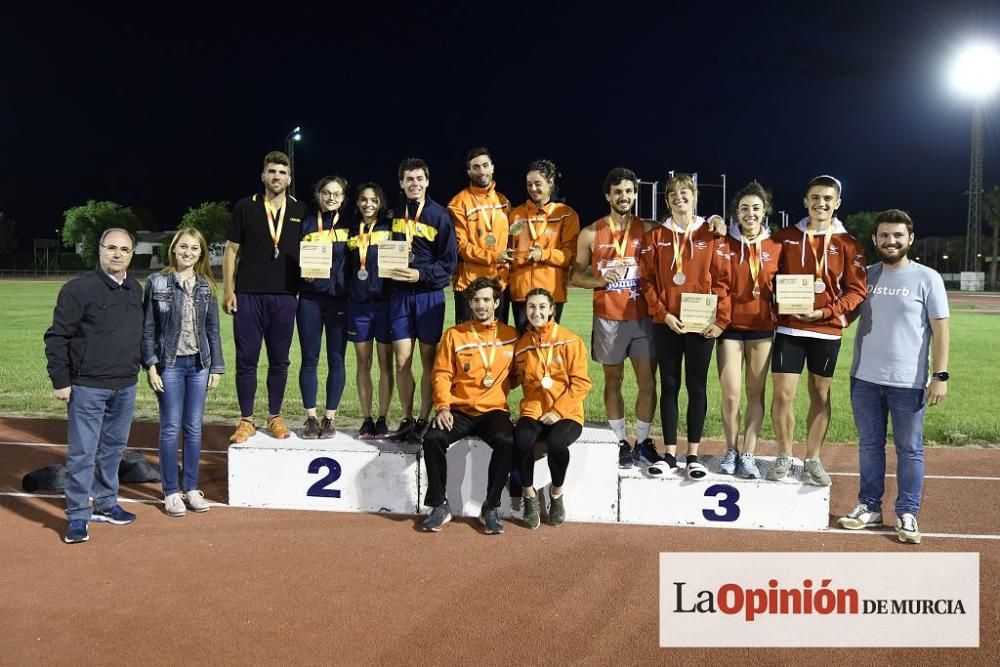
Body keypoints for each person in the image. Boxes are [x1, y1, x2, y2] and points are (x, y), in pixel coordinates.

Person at [838, 209, 949, 545]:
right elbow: (844, 316)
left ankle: (907, 512)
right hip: (865, 379)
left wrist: (940, 375)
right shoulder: (866, 276)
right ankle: (869, 506)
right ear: (875, 239)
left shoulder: (927, 278)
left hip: (909, 381)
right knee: (870, 446)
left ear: (910, 239)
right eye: (884, 235)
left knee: (910, 449)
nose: (891, 241)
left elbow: (940, 330)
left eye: (898, 235)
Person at [44, 228, 144, 544]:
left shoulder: (134, 288)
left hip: (125, 384)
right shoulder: (78, 290)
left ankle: (105, 502)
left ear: (132, 253)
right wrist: (61, 381)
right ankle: (76, 515)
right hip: (87, 386)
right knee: (82, 453)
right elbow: (57, 337)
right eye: (111, 247)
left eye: (124, 249)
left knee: (113, 450)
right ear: (99, 250)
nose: (117, 254)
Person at [769, 175, 867, 485]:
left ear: (837, 203)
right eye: (814, 197)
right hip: (790, 328)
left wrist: (825, 311)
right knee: (783, 395)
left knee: (820, 394)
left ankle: (812, 458)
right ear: (805, 201)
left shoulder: (849, 244)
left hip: (826, 331)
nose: (820, 203)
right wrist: (776, 298)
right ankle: (785, 455)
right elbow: (767, 276)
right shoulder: (784, 237)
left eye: (827, 198)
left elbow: (857, 291)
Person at [638, 173, 731, 479]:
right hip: (668, 323)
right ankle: (668, 454)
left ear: (695, 198)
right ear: (666, 200)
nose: (680, 198)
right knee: (669, 385)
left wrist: (720, 320)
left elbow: (722, 282)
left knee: (697, 386)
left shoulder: (711, 233)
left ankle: (692, 455)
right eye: (673, 194)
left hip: (701, 323)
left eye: (685, 193)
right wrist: (662, 313)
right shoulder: (656, 236)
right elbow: (647, 281)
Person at [571, 167, 657, 469]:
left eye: (629, 191)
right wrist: (600, 279)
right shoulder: (591, 233)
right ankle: (620, 441)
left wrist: (711, 222)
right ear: (608, 195)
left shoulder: (648, 228)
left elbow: (685, 230)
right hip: (608, 317)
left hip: (643, 317)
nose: (624, 196)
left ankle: (643, 441)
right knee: (613, 380)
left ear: (635, 194)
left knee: (648, 382)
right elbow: (574, 277)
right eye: (618, 191)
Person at [420, 277, 519, 534]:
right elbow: (441, 374)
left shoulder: (511, 336)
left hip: (493, 411)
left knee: (506, 440)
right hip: (459, 409)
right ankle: (439, 505)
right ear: (470, 303)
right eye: (476, 300)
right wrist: (442, 407)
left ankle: (491, 506)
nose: (481, 305)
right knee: (432, 438)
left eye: (487, 300)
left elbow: (522, 375)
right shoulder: (454, 335)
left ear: (497, 303)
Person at [223, 151, 309, 443]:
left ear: (289, 178)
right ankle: (246, 419)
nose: (277, 177)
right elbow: (231, 250)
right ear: (263, 176)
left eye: (282, 173)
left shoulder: (301, 209)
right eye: (272, 171)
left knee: (279, 361)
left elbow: (310, 251)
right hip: (248, 295)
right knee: (246, 360)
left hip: (285, 296)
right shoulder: (246, 207)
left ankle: (274, 416)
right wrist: (228, 289)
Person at [142, 228, 224, 517]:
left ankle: (190, 488)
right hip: (170, 365)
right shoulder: (156, 282)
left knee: (193, 428)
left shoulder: (206, 286)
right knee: (169, 428)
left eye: (195, 249)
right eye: (183, 247)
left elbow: (213, 329)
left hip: (199, 365)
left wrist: (217, 366)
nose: (188, 253)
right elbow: (148, 328)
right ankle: (170, 492)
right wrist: (151, 366)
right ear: (174, 249)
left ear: (201, 253)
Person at [386, 158, 458, 443]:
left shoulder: (440, 216)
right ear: (402, 183)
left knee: (429, 361)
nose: (414, 183)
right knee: (402, 360)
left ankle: (424, 420)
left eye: (419, 178)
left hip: (428, 297)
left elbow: (448, 263)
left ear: (427, 181)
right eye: (409, 179)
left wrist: (420, 274)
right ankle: (406, 418)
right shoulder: (391, 214)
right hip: (399, 296)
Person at [511, 288, 593, 528]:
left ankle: (556, 493)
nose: (536, 312)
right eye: (531, 307)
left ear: (551, 310)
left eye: (542, 307)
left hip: (566, 413)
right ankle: (529, 494)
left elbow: (581, 382)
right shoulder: (522, 345)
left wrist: (557, 411)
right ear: (526, 310)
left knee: (557, 443)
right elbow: (512, 378)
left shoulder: (570, 340)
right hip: (534, 411)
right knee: (522, 439)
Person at [716, 182, 782, 479]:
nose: (750, 213)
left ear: (764, 210)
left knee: (756, 394)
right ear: (736, 212)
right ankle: (731, 449)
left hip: (762, 329)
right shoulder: (722, 243)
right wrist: (712, 221)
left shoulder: (776, 247)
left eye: (756, 208)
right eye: (744, 208)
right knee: (731, 395)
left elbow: (786, 287)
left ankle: (749, 453)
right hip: (729, 328)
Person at [297, 176, 351, 438]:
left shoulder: (351, 225)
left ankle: (330, 418)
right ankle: (310, 418)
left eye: (337, 194)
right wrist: (301, 272)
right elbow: (293, 255)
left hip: (339, 300)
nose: (331, 197)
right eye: (327, 193)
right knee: (309, 358)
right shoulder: (306, 223)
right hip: (309, 299)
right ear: (318, 195)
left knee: (337, 359)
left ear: (343, 198)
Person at [505, 159, 580, 334]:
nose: (533, 188)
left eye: (538, 183)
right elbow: (507, 248)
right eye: (529, 184)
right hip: (521, 293)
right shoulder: (515, 215)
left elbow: (570, 255)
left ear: (550, 182)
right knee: (525, 347)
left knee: (546, 348)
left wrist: (544, 254)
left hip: (551, 296)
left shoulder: (566, 215)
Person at [346, 183, 395, 438]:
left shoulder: (391, 228)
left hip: (385, 304)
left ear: (380, 202)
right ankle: (366, 418)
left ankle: (383, 418)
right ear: (357, 203)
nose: (368, 204)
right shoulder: (352, 231)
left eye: (373, 199)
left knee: (386, 363)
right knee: (363, 363)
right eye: (363, 199)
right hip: (359, 305)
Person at [448, 147, 512, 324]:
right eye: (476, 167)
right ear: (469, 171)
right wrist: (494, 256)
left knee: (499, 342)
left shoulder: (503, 202)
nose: (481, 171)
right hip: (470, 285)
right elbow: (461, 247)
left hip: (500, 285)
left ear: (492, 167)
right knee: (469, 343)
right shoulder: (458, 203)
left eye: (485, 165)